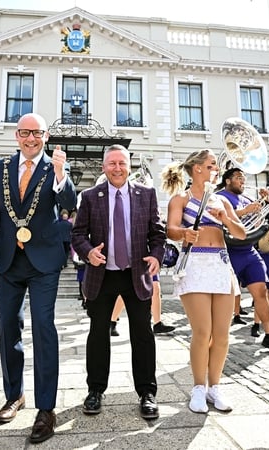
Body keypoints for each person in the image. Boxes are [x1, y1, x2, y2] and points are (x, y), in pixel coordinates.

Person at [0, 112, 76, 444]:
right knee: (7, 327)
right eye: (24, 132)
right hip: (7, 260)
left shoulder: (55, 167)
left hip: (44, 261)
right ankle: (14, 395)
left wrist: (62, 174)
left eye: (37, 133)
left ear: (46, 137)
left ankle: (46, 407)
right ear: (16, 135)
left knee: (44, 328)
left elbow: (69, 204)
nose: (30, 139)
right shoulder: (0, 168)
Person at [71, 144, 165, 420]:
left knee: (143, 335)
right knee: (98, 334)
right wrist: (88, 252)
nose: (117, 168)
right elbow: (77, 235)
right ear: (104, 167)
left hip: (136, 274)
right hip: (103, 276)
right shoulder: (89, 196)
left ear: (129, 166)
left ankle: (147, 393)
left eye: (121, 163)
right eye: (111, 163)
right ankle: (95, 391)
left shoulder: (146, 195)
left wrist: (157, 255)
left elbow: (157, 233)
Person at [161, 149, 250, 414]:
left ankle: (215, 387)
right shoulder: (181, 198)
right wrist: (184, 232)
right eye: (212, 165)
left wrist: (224, 218)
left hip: (221, 264)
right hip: (195, 264)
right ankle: (198, 387)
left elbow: (241, 233)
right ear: (197, 168)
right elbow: (171, 229)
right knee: (202, 332)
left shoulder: (222, 201)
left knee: (222, 334)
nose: (216, 169)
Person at [214, 168, 269, 354]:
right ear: (228, 180)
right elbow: (219, 218)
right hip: (228, 252)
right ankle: (217, 338)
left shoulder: (247, 198)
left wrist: (266, 202)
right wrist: (245, 211)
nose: (242, 181)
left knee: (261, 292)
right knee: (223, 297)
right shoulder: (218, 196)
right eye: (238, 178)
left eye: (244, 178)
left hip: (248, 251)